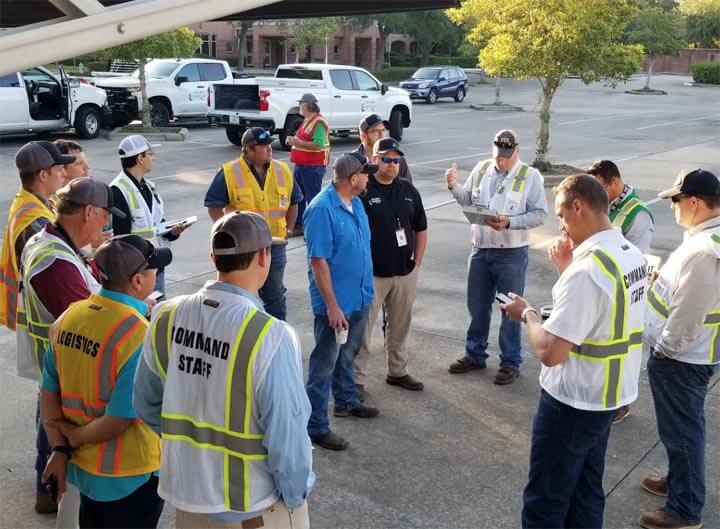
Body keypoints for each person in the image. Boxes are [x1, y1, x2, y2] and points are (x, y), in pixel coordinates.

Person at [133, 211, 314, 529]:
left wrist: (193, 455)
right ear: (264, 256)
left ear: (213, 257)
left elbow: (145, 403)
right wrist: (296, 495)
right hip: (254, 507)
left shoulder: (165, 316)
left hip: (189, 501)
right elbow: (287, 438)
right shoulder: (271, 336)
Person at [502, 174, 646, 528]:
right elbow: (602, 315)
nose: (561, 225)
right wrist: (565, 272)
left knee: (545, 501)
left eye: (561, 215)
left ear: (578, 206)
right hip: (607, 397)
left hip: (573, 400)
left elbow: (550, 351)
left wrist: (527, 314)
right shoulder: (629, 255)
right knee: (586, 492)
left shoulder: (588, 270)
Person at [39, 234, 169, 529]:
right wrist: (76, 437)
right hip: (130, 475)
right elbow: (119, 419)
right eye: (154, 270)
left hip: (84, 471)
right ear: (138, 281)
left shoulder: (69, 317)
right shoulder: (137, 334)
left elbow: (48, 393)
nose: (157, 275)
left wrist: (60, 448)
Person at [16, 177, 123, 515]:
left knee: (49, 431)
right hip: (67, 375)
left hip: (59, 371)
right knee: (56, 440)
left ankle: (48, 491)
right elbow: (92, 322)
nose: (106, 224)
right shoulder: (55, 260)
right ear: (89, 212)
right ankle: (50, 494)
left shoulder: (56, 244)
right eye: (105, 215)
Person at [639, 169, 720, 529]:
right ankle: (679, 481)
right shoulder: (706, 238)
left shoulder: (704, 250)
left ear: (695, 202)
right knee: (683, 428)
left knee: (683, 432)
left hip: (682, 358)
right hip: (692, 355)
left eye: (676, 201)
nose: (673, 207)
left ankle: (684, 509)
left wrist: (665, 350)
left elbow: (689, 312)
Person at [445, 130, 548, 384]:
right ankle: (475, 354)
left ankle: (510, 361)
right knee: (477, 306)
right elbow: (468, 200)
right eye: (498, 156)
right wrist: (454, 187)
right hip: (480, 250)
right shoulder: (482, 169)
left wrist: (510, 222)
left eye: (506, 156)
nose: (501, 161)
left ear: (517, 151)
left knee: (510, 311)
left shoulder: (530, 176)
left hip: (510, 254)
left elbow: (540, 214)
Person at [304, 153, 379, 451]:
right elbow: (318, 261)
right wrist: (332, 306)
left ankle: (346, 401)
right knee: (324, 365)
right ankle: (316, 427)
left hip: (359, 296)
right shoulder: (321, 210)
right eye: (365, 174)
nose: (369, 178)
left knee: (348, 354)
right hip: (336, 306)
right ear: (353, 178)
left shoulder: (356, 202)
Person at [204, 127, 301, 320]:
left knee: (274, 294)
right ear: (248, 150)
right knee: (241, 294)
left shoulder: (282, 170)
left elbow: (294, 201)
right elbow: (214, 206)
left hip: (275, 245)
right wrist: (225, 232)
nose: (269, 148)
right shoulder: (230, 172)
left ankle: (277, 329)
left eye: (269, 144)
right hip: (244, 248)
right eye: (263, 146)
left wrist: (289, 230)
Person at [355, 138, 427, 396]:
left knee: (400, 325)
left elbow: (421, 228)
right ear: (375, 159)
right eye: (386, 159)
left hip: (405, 271)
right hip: (373, 273)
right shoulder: (364, 189)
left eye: (397, 160)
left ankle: (397, 371)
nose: (392, 164)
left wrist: (417, 263)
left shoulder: (408, 189)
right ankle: (356, 380)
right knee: (363, 329)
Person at [588, 159, 655, 424]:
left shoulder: (637, 213)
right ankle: (604, 393)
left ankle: (622, 402)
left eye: (601, 186)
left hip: (625, 287)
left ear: (615, 182)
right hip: (602, 282)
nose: (597, 192)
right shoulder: (604, 204)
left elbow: (640, 259)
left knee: (624, 347)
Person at [1, 142, 73, 334]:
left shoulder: (34, 202)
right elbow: (60, 264)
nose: (64, 174)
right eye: (59, 169)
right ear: (43, 175)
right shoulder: (35, 219)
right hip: (44, 322)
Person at [110, 134, 188, 297]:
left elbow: (156, 224)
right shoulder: (118, 190)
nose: (154, 158)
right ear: (140, 158)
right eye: (151, 154)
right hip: (138, 273)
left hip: (156, 264)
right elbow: (120, 238)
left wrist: (172, 232)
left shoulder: (148, 187)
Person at [287, 93, 330, 236]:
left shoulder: (318, 122)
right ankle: (300, 226)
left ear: (306, 105)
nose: (299, 106)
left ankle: (315, 229)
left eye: (300, 104)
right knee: (299, 198)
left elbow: (318, 144)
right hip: (303, 165)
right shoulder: (308, 120)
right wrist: (293, 140)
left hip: (312, 167)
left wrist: (296, 142)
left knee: (313, 200)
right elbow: (303, 139)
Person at [354, 113, 412, 183]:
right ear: (363, 136)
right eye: (376, 131)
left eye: (383, 130)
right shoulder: (352, 161)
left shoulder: (397, 159)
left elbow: (408, 186)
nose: (381, 134)